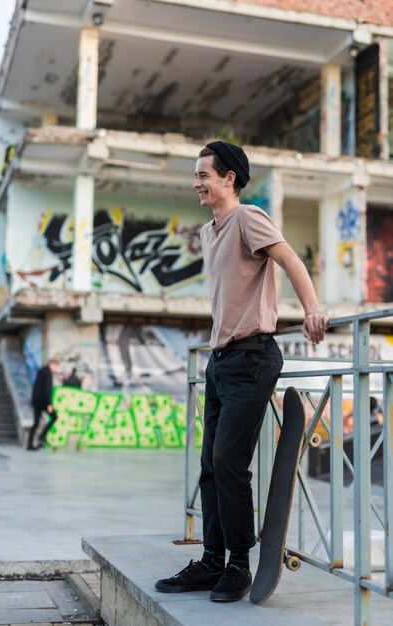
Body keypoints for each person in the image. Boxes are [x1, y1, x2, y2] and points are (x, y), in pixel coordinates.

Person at [155, 141, 328, 602]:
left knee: (230, 463)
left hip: (253, 357)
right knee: (211, 466)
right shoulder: (211, 230)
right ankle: (211, 561)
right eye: (195, 176)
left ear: (229, 177)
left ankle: (237, 565)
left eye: (204, 175)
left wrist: (312, 309)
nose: (197, 183)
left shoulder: (248, 218)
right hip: (221, 361)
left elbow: (290, 259)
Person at [27, 358, 60, 450]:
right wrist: (49, 404)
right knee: (54, 417)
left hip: (37, 401)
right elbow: (47, 389)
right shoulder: (48, 373)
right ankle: (42, 437)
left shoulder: (41, 371)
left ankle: (31, 444)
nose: (56, 368)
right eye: (56, 366)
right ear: (52, 364)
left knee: (36, 423)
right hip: (43, 402)